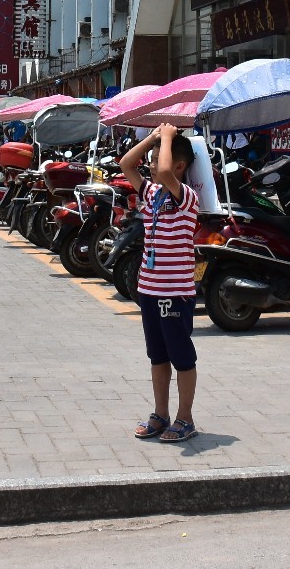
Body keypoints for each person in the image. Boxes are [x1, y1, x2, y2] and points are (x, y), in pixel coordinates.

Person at [118, 124, 199, 444]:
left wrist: (167, 137)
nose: (150, 165)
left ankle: (186, 418)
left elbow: (163, 169)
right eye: (151, 160)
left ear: (179, 167)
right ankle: (160, 413)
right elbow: (126, 165)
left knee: (181, 356)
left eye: (154, 160)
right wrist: (152, 138)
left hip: (174, 293)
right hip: (150, 289)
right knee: (157, 356)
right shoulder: (151, 193)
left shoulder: (184, 197)